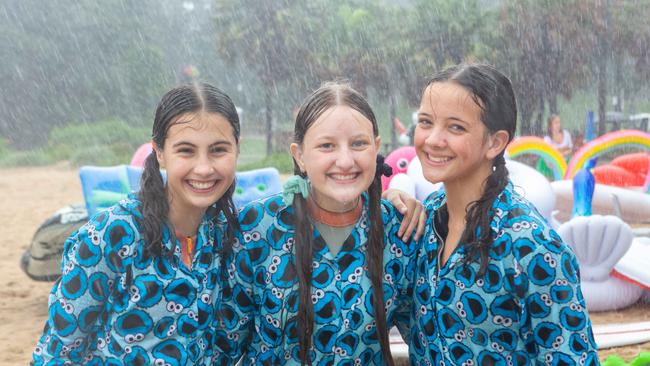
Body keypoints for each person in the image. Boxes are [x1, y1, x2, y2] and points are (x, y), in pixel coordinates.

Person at [32, 83, 241, 365]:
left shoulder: (227, 233)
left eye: (218, 150)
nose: (203, 168)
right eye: (186, 151)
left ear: (236, 150)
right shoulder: (112, 233)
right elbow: (59, 348)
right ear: (159, 152)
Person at [408, 64, 599, 365]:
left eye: (455, 127)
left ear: (495, 142)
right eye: (426, 122)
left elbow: (572, 356)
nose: (433, 139)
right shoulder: (421, 224)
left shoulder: (531, 245)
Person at [221, 82, 420, 365]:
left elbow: (426, 340)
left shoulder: (400, 231)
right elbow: (223, 344)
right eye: (327, 145)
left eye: (358, 144)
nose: (345, 160)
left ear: (376, 148)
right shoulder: (257, 228)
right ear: (299, 155)